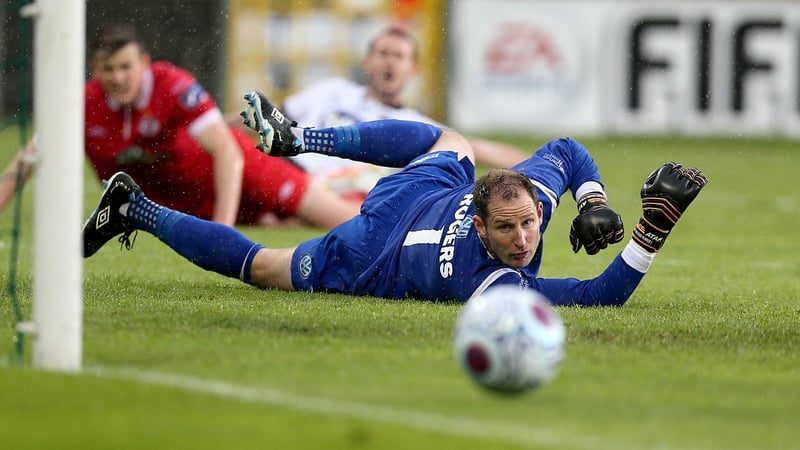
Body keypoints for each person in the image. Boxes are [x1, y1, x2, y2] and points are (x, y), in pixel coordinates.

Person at [81, 92, 707, 305]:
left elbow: (566, 151)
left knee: (450, 141)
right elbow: (602, 297)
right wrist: (652, 234)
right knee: (263, 267)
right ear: (483, 227)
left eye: (529, 226)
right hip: (368, 254)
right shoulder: (491, 285)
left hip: (424, 198)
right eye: (509, 231)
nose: (524, 241)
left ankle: (297, 136)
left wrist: (592, 196)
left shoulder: (522, 201)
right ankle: (139, 208)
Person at [0, 23, 360, 228]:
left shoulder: (173, 85)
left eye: (126, 67)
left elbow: (226, 151)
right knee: (282, 226)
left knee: (342, 220)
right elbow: (27, 161)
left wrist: (221, 234)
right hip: (178, 206)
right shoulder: (82, 103)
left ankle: (373, 200)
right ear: (95, 69)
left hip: (241, 174)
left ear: (144, 62)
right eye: (108, 69)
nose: (117, 77)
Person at [239, 24, 531, 197]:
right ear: (367, 62)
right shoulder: (333, 91)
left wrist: (540, 166)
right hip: (284, 171)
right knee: (237, 150)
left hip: (336, 196)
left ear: (413, 69)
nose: (390, 62)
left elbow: (476, 148)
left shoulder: (418, 126)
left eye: (399, 56)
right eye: (383, 53)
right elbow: (267, 119)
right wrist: (207, 121)